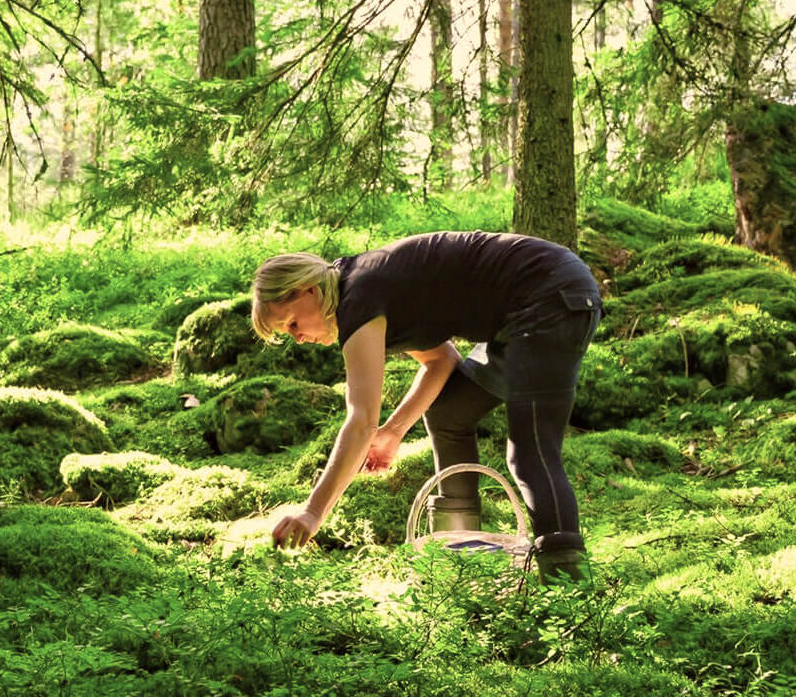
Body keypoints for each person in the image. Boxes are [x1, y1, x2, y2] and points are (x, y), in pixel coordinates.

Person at [250, 230, 601, 581]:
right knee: (450, 411)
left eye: (292, 322)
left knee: (530, 451)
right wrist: (393, 433)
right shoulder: (365, 289)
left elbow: (360, 423)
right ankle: (463, 556)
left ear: (308, 289)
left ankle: (568, 590)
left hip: (548, 297)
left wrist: (312, 513)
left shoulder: (357, 298)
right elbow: (441, 360)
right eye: (287, 333)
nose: (297, 337)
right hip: (527, 311)